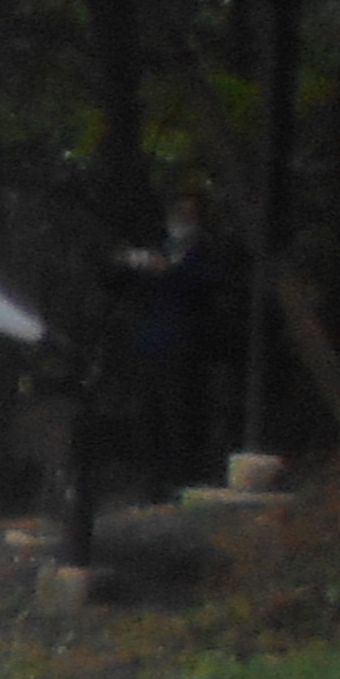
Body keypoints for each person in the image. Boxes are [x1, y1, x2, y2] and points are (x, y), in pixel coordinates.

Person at [112, 184, 232, 499]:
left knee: (182, 415)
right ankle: (152, 485)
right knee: (147, 417)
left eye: (190, 214)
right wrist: (130, 264)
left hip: (185, 348)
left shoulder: (207, 254)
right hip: (149, 346)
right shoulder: (159, 251)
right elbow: (129, 288)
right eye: (179, 212)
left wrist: (167, 272)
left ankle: (185, 482)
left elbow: (209, 285)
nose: (183, 219)